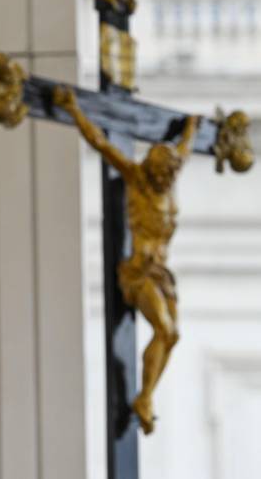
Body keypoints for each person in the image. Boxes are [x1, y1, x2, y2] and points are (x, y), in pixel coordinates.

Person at [54, 86, 197, 434]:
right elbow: (101, 144)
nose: (165, 179)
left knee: (173, 336)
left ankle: (147, 396)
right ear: (151, 168)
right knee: (165, 329)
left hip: (161, 272)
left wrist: (192, 127)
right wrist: (73, 110)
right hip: (137, 272)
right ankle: (144, 398)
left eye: (169, 175)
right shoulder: (136, 178)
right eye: (161, 174)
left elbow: (184, 150)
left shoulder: (168, 181)